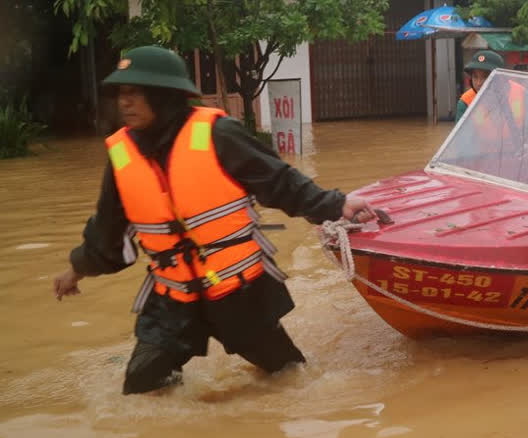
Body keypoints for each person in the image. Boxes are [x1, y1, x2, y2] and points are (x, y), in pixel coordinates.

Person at [51, 46, 376, 395]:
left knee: (290, 377)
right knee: (142, 390)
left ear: (163, 94)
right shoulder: (122, 155)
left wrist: (336, 204)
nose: (124, 103)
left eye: (134, 92)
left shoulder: (218, 134)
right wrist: (78, 268)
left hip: (237, 291)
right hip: (172, 298)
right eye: (121, 94)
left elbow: (280, 183)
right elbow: (108, 229)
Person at [456, 50, 504, 123]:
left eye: (486, 77)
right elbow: (462, 133)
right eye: (475, 76)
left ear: (499, 78)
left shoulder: (520, 94)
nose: (479, 83)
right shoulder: (466, 102)